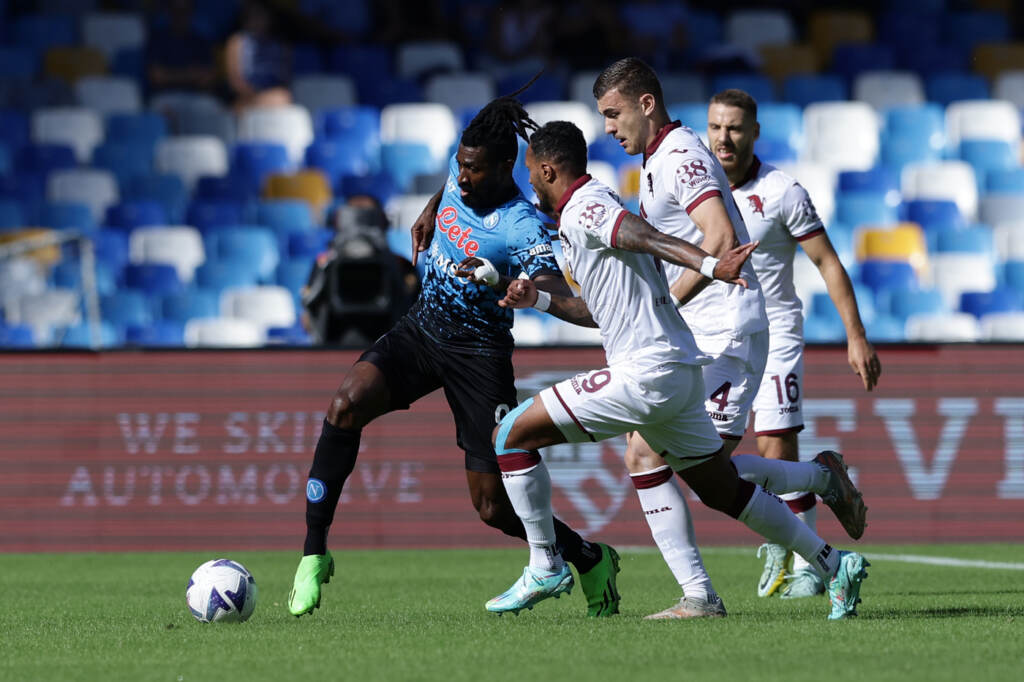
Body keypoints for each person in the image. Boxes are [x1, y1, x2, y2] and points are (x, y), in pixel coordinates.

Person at [475, 120, 868, 621]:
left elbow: (644, 235)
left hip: (646, 373)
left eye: (531, 172)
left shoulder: (588, 206)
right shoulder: (586, 212)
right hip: (676, 374)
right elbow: (597, 312)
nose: (529, 182)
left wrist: (710, 266)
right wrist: (539, 299)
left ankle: (546, 563)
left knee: (509, 435)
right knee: (722, 488)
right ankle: (833, 564)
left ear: (548, 170)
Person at [288, 96, 621, 618]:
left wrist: (522, 287)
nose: (462, 177)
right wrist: (429, 211)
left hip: (479, 355)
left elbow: (556, 287)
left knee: (492, 507)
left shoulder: (520, 225)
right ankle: (313, 554)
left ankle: (588, 556)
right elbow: (451, 185)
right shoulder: (461, 170)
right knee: (345, 404)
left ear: (505, 167)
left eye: (474, 170)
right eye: (460, 165)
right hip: (422, 329)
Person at [591, 56, 772, 618]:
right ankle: (699, 594)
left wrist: (665, 303)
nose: (608, 128)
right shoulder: (656, 160)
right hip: (696, 333)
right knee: (653, 454)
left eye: (614, 114)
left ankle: (705, 593)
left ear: (646, 104)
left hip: (727, 329)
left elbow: (719, 237)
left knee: (692, 467)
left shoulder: (680, 157)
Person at [707, 88, 881, 598]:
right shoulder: (696, 190)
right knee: (711, 458)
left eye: (735, 127)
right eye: (715, 127)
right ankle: (818, 484)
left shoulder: (783, 191)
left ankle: (805, 559)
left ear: (755, 132)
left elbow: (827, 261)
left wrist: (856, 336)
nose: (724, 138)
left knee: (774, 442)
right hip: (718, 338)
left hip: (776, 332)